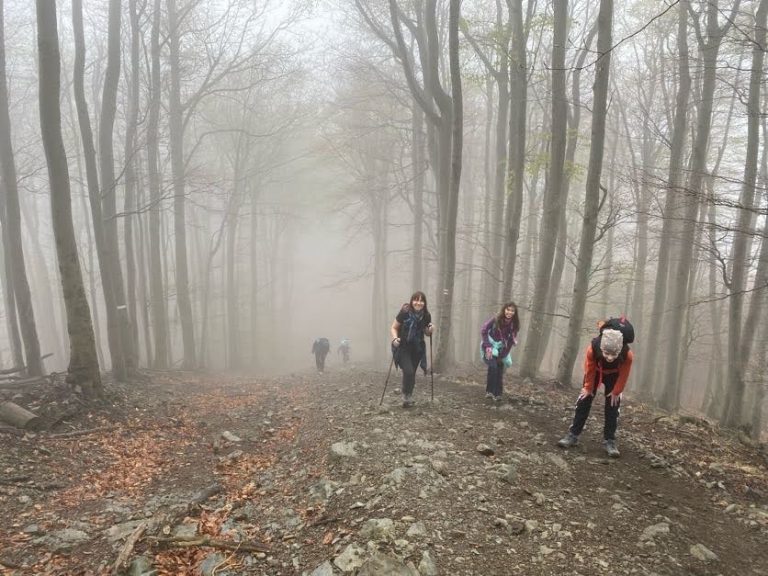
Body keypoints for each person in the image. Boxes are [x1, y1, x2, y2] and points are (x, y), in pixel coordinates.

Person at [557, 322, 634, 458]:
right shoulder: (593, 348)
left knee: (613, 404)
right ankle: (573, 435)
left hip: (614, 375)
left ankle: (609, 440)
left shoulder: (627, 354)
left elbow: (624, 375)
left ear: (619, 350)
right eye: (606, 353)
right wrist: (588, 388)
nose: (610, 358)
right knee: (584, 400)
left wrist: (616, 391)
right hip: (596, 372)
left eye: (614, 354)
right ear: (602, 348)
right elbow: (590, 369)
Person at [390, 291, 434, 407]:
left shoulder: (426, 315)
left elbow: (426, 332)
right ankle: (406, 396)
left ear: (424, 303)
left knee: (412, 373)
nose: (418, 303)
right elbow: (394, 327)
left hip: (417, 348)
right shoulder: (405, 312)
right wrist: (395, 339)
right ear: (412, 301)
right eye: (416, 300)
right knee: (408, 371)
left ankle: (408, 395)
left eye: (421, 300)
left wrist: (430, 329)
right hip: (403, 346)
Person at [479, 302, 520, 402]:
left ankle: (498, 394)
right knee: (493, 366)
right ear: (504, 309)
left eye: (512, 310)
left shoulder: (514, 325)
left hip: (502, 349)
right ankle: (489, 392)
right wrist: (488, 346)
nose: (509, 312)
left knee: (499, 368)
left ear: (514, 313)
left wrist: (503, 355)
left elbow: (510, 342)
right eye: (508, 309)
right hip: (488, 346)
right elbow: (484, 330)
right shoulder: (496, 319)